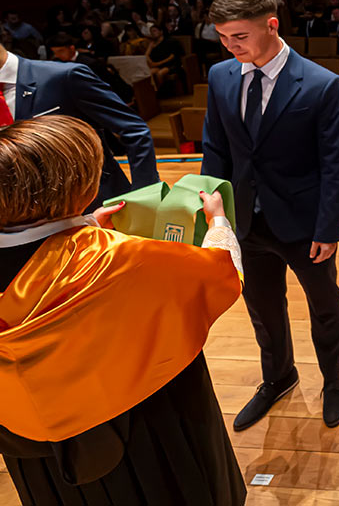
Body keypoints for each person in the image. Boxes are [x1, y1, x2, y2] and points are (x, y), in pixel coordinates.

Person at [0, 115, 245, 505]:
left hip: (32, 448)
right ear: (79, 187)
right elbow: (219, 274)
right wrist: (217, 220)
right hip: (144, 434)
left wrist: (75, 226)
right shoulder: (120, 258)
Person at [200, 0, 339, 432]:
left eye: (239, 37)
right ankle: (279, 377)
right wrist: (214, 209)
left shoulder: (323, 84)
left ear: (271, 26)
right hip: (245, 219)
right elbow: (216, 146)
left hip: (305, 223)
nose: (230, 47)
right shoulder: (221, 76)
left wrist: (328, 228)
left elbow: (335, 164)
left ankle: (334, 380)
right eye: (223, 38)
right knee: (262, 309)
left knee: (324, 306)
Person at [0, 42, 157, 210]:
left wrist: (144, 194)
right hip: (18, 216)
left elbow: (134, 129)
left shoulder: (63, 76)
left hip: (93, 208)